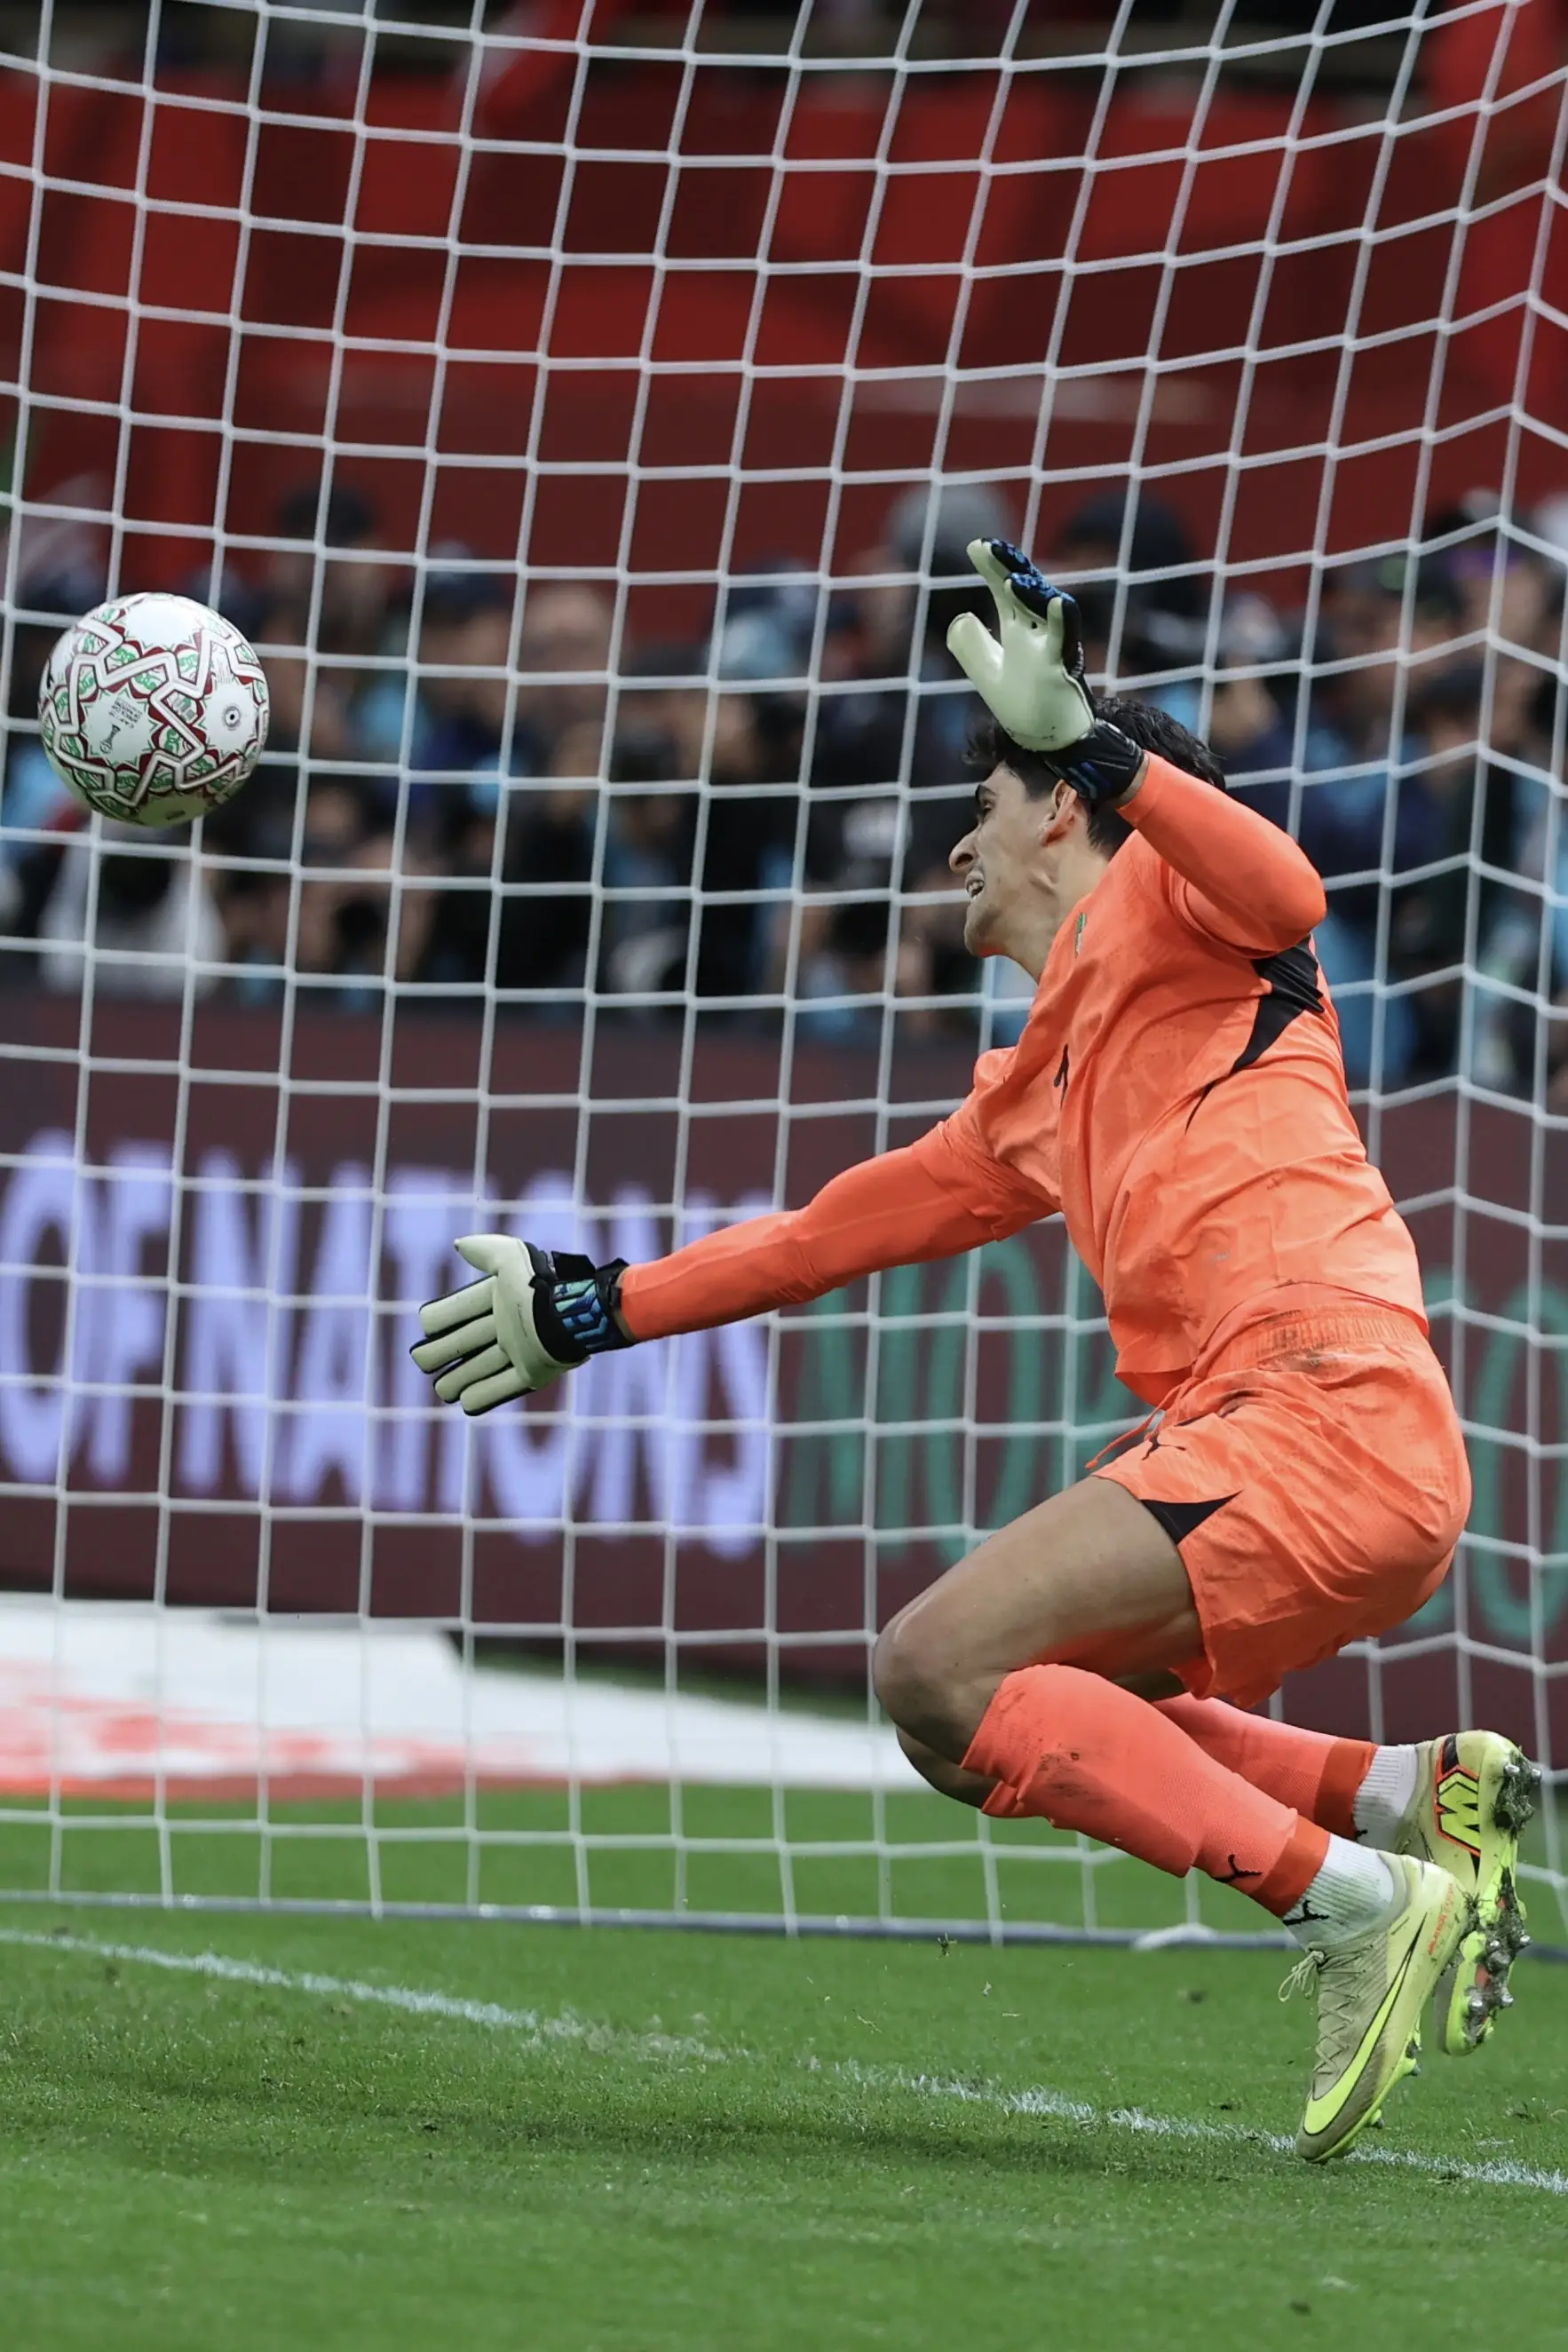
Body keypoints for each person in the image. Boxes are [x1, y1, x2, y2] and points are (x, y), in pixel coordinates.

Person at [407, 537, 1538, 2165]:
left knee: (927, 1665)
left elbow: (1290, 892)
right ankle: (1393, 1793)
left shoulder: (1184, 905)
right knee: (977, 1726)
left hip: (1319, 1406)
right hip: (1303, 1436)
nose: (954, 848)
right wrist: (600, 1307)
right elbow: (822, 1234)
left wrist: (1099, 746)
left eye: (991, 805)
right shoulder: (1032, 1093)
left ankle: (1359, 1905)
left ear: (1063, 811)